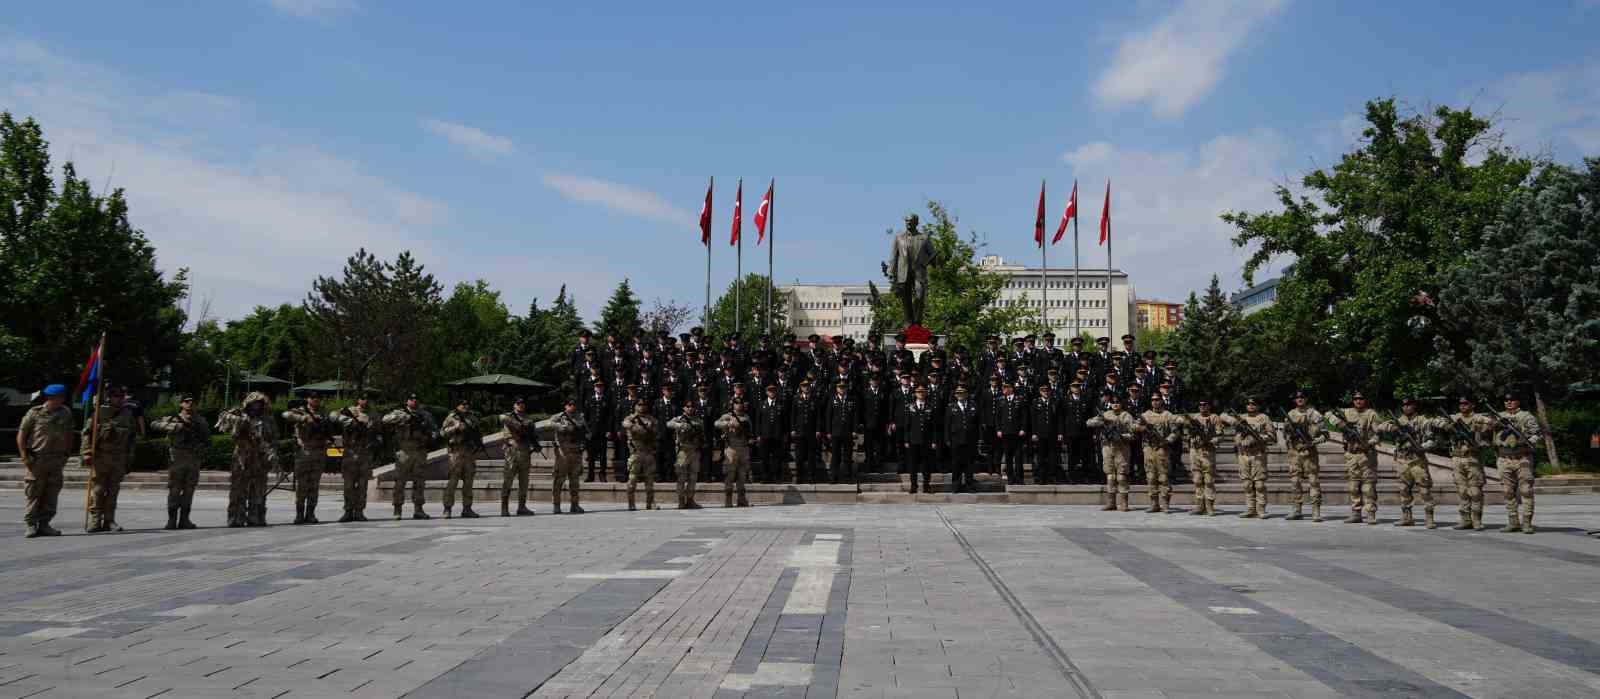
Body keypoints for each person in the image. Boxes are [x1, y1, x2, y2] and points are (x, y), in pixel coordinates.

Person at [17, 384, 73, 537]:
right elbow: (21, 436)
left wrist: (66, 454)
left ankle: (44, 524)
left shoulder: (66, 413)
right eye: (60, 397)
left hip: (56, 460)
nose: (62, 400)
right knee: (34, 492)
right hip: (37, 459)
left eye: (63, 397)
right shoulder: (34, 413)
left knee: (51, 493)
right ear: (50, 398)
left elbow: (69, 434)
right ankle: (30, 525)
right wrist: (24, 456)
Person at [216, 391, 278, 527]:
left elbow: (274, 438)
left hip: (260, 459)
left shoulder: (268, 420)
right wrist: (239, 421)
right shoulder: (239, 415)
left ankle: (256, 517)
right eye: (254, 402)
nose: (257, 405)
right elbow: (224, 422)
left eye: (260, 403)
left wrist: (272, 452)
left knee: (259, 490)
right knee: (238, 489)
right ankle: (236, 517)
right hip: (242, 457)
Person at [149, 394, 209, 529]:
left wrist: (201, 448)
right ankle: (171, 520)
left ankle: (184, 519)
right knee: (174, 490)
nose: (190, 404)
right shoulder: (174, 418)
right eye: (187, 402)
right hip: (177, 458)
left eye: (193, 402)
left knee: (189, 490)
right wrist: (174, 427)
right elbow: (154, 424)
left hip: (193, 458)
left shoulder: (201, 421)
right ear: (181, 404)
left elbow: (207, 441)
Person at [1432, 396, 1493, 530]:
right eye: (1461, 404)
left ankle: (1476, 520)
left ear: (1472, 405)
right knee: (1462, 491)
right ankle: (1465, 520)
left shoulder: (1479, 418)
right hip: (1457, 459)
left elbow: (1492, 427)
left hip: (1473, 458)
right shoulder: (1454, 418)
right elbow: (1435, 421)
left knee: (1475, 491)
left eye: (1466, 403)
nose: (1463, 406)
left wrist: (1480, 434)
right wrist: (1447, 426)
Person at [81, 385, 137, 532]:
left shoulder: (127, 414)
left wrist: (129, 458)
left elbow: (131, 438)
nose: (119, 399)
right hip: (101, 456)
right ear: (109, 397)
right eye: (116, 396)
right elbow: (88, 433)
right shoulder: (99, 413)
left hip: (119, 458)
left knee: (113, 490)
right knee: (98, 490)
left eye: (121, 396)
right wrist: (86, 452)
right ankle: (95, 520)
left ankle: (109, 520)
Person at [1380, 398, 1436, 528]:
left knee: (1424, 490)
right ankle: (1407, 517)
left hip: (1417, 460)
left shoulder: (1423, 421)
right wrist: (1392, 428)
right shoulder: (1398, 421)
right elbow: (1381, 427)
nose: (1406, 407)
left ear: (1414, 406)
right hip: (1402, 460)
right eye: (1404, 405)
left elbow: (1431, 440)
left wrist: (1421, 447)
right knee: (1403, 490)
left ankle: (1429, 518)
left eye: (1409, 405)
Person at [382, 394, 437, 520]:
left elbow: (434, 430)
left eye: (416, 399)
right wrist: (404, 418)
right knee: (400, 481)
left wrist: (431, 435)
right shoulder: (400, 413)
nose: (414, 401)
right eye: (411, 399)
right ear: (406, 401)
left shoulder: (425, 415)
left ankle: (419, 510)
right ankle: (397, 509)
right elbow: (385, 419)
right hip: (404, 451)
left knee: (420, 482)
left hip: (420, 451)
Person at [1493, 393, 1541, 534]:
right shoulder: (1498, 417)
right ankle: (1513, 522)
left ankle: (1526, 523)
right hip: (1504, 458)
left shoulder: (1526, 416)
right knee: (1507, 491)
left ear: (1518, 401)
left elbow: (1537, 433)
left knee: (1526, 491)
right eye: (1506, 400)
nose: (1509, 402)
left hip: (1522, 457)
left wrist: (1530, 440)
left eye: (1512, 400)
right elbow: (1488, 429)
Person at [1331, 391, 1381, 525]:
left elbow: (1378, 434)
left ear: (1365, 400)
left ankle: (1370, 513)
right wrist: (1339, 424)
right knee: (1353, 486)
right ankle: (1356, 513)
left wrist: (1369, 443)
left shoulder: (1371, 414)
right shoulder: (1346, 412)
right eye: (1356, 399)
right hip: (1351, 455)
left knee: (1368, 486)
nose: (1358, 401)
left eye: (1361, 399)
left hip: (1366, 455)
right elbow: (1328, 414)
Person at [282, 395, 333, 524]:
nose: (316, 399)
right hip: (304, 452)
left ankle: (310, 514)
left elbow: (329, 428)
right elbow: (285, 415)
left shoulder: (323, 413)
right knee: (301, 486)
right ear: (308, 399)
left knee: (314, 486)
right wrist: (303, 418)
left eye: (318, 397)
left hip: (318, 452)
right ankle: (299, 514)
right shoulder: (301, 411)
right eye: (312, 397)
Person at [1224, 397, 1276, 519]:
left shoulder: (1264, 418)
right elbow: (1224, 418)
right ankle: (1250, 508)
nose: (1251, 406)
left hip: (1258, 455)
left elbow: (1272, 436)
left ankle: (1261, 509)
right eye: (1248, 404)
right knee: (1247, 484)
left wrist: (1259, 438)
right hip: (1244, 454)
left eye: (1253, 404)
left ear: (1257, 406)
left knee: (1259, 484)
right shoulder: (1240, 418)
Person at [329, 396, 379, 522]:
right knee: (348, 485)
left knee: (363, 485)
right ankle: (348, 511)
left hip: (365, 453)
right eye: (363, 398)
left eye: (367, 399)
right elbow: (332, 416)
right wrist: (347, 420)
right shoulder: (350, 411)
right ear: (358, 400)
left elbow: (378, 431)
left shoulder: (373, 414)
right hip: (350, 453)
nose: (365, 401)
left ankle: (359, 511)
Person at [1086, 393, 1137, 511]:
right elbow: (1089, 423)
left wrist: (1122, 436)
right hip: (1108, 448)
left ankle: (1124, 503)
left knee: (1121, 476)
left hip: (1122, 449)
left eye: (1117, 403)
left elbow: (1133, 434)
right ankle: (1111, 502)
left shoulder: (1126, 416)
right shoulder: (1106, 414)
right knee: (1110, 475)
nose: (1115, 405)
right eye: (1113, 403)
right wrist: (1102, 421)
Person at [1282, 390, 1326, 521]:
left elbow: (1325, 434)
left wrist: (1313, 441)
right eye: (1297, 397)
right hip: (1295, 452)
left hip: (1309, 452)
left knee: (1313, 481)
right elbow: (1285, 434)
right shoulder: (1290, 414)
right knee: (1295, 481)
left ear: (1306, 399)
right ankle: (1297, 509)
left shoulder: (1314, 414)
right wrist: (1290, 432)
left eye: (1302, 397)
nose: (1299, 399)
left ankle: (1316, 511)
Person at [1135, 395, 1181, 513]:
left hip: (1162, 449)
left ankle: (1165, 504)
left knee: (1164, 477)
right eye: (1152, 400)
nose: (1155, 402)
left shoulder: (1167, 415)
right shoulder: (1145, 415)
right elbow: (1133, 426)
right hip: (1149, 449)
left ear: (1161, 401)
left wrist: (1167, 441)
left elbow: (1175, 432)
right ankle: (1154, 504)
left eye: (1157, 400)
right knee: (1150, 477)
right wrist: (1142, 428)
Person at [439, 398, 483, 519]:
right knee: (453, 481)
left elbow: (478, 432)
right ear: (457, 406)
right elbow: (442, 433)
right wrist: (456, 427)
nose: (465, 406)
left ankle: (467, 508)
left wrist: (478, 443)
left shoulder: (472, 417)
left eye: (466, 404)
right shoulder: (451, 417)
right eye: (462, 404)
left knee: (469, 482)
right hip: (456, 453)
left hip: (469, 453)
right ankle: (447, 508)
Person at [1183, 399, 1226, 516]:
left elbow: (1220, 434)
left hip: (1207, 451)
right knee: (1197, 480)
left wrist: (1211, 441)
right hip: (1195, 451)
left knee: (1208, 480)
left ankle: (1209, 506)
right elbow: (1186, 432)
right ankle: (1199, 506)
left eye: (1204, 405)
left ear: (1209, 406)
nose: (1202, 407)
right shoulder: (1194, 418)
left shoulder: (1214, 417)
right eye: (1200, 405)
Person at [498, 396, 539, 516]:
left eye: (522, 403)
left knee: (524, 481)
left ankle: (522, 507)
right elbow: (501, 418)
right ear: (514, 405)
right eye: (518, 403)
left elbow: (533, 435)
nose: (521, 405)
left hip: (525, 452)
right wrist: (519, 425)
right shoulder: (508, 416)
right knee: (508, 480)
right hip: (512, 452)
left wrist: (535, 444)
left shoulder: (529, 420)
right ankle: (504, 507)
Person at [550, 398, 586, 514]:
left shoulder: (579, 417)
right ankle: (556, 505)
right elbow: (550, 424)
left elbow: (584, 430)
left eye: (574, 404)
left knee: (575, 480)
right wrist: (561, 427)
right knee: (559, 479)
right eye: (570, 404)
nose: (572, 406)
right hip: (563, 452)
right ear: (566, 406)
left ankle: (575, 505)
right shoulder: (558, 417)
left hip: (576, 451)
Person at [622, 400, 659, 510]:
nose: (642, 407)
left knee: (650, 479)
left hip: (648, 452)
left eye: (644, 405)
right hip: (636, 453)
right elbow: (626, 425)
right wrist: (640, 429)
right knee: (632, 479)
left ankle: (650, 502)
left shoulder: (651, 419)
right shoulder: (630, 418)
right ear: (635, 406)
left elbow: (656, 430)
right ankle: (631, 503)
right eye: (639, 405)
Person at [668, 401, 705, 509]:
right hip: (683, 451)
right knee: (681, 477)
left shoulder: (698, 420)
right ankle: (681, 500)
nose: (690, 408)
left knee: (693, 477)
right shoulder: (679, 418)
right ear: (684, 408)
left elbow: (702, 434)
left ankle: (690, 499)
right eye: (687, 406)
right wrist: (680, 425)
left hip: (694, 450)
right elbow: (668, 424)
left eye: (692, 406)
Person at [717, 399, 754, 507]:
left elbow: (750, 431)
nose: (739, 405)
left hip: (743, 448)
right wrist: (729, 424)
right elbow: (716, 423)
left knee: (742, 475)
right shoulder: (728, 416)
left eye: (741, 403)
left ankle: (741, 499)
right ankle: (728, 500)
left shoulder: (746, 417)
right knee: (730, 475)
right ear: (733, 405)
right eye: (737, 403)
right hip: (731, 449)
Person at [945, 384, 981, 493]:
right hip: (956, 439)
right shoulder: (951, 407)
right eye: (958, 393)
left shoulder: (973, 405)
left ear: (967, 394)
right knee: (956, 463)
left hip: (970, 439)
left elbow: (977, 423)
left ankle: (969, 484)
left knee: (969, 463)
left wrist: (979, 438)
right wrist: (947, 439)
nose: (960, 395)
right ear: (955, 395)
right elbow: (947, 424)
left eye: (962, 393)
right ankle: (956, 485)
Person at [903, 384, 938, 494]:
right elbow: (907, 425)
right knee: (913, 465)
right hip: (914, 440)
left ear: (926, 393)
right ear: (915, 394)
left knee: (926, 464)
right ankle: (914, 485)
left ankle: (926, 485)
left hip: (927, 441)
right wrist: (906, 440)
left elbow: (934, 426)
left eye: (923, 392)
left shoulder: (931, 406)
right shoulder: (910, 407)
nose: (921, 394)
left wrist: (934, 440)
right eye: (918, 392)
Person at [824, 380, 859, 483]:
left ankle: (847, 476)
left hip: (848, 432)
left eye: (844, 387)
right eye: (840, 387)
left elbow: (855, 416)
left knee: (848, 456)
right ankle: (834, 476)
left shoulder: (852, 400)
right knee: (835, 456)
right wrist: (828, 432)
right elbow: (828, 417)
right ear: (836, 388)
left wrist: (855, 430)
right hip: (835, 432)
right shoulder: (832, 399)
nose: (842, 389)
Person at [1029, 384, 1063, 485]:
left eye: (1047, 391)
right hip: (1040, 434)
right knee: (1041, 457)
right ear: (1040, 392)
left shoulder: (1054, 402)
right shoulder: (1036, 402)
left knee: (1052, 456)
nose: (1045, 392)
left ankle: (1052, 476)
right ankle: (1041, 477)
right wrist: (1034, 433)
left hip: (1052, 433)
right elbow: (1033, 419)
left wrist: (1060, 432)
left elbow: (1059, 418)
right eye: (1043, 391)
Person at [995, 382, 1028, 484]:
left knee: (1018, 456)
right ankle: (1010, 477)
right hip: (1005, 432)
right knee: (1008, 457)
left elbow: (1024, 416)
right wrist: (998, 429)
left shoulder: (1020, 399)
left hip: (1017, 432)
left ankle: (1019, 477)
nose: (1004, 389)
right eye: (1003, 387)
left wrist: (1023, 428)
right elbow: (998, 417)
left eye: (1006, 387)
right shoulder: (1000, 400)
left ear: (1011, 388)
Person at [582, 380, 612, 482]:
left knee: (603, 455)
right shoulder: (589, 400)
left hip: (602, 432)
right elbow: (585, 417)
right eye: (597, 387)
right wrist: (586, 431)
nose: (599, 388)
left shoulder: (606, 400)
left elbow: (609, 417)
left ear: (603, 388)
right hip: (591, 432)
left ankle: (602, 475)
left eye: (601, 387)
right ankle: (590, 476)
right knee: (591, 455)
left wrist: (608, 430)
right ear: (594, 388)